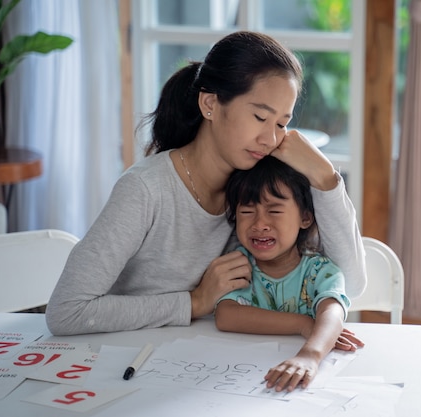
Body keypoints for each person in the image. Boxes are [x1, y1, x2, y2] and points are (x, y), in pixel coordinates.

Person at [45, 30, 366, 336]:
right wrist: (194, 302)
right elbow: (66, 311)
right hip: (122, 362)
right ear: (210, 104)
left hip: (204, 363)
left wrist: (326, 179)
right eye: (259, 117)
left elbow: (348, 284)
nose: (270, 138)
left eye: (282, 123)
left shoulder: (253, 193)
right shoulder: (145, 190)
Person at [215, 155, 364, 392]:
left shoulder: (320, 271)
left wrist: (311, 355)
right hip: (245, 380)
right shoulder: (239, 264)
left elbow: (333, 311)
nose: (260, 224)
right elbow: (226, 316)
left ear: (305, 218)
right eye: (246, 211)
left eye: (274, 211)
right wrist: (303, 324)